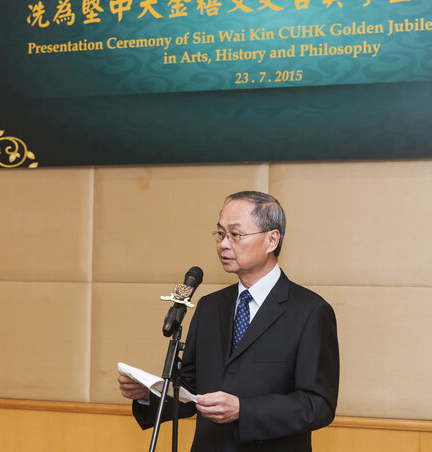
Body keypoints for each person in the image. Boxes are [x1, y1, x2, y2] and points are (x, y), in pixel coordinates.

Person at [118, 190, 340, 451]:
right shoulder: (209, 306)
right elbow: (191, 390)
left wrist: (243, 410)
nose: (224, 244)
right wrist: (149, 393)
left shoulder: (310, 311)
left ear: (272, 240)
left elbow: (318, 406)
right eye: (220, 233)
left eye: (236, 235)